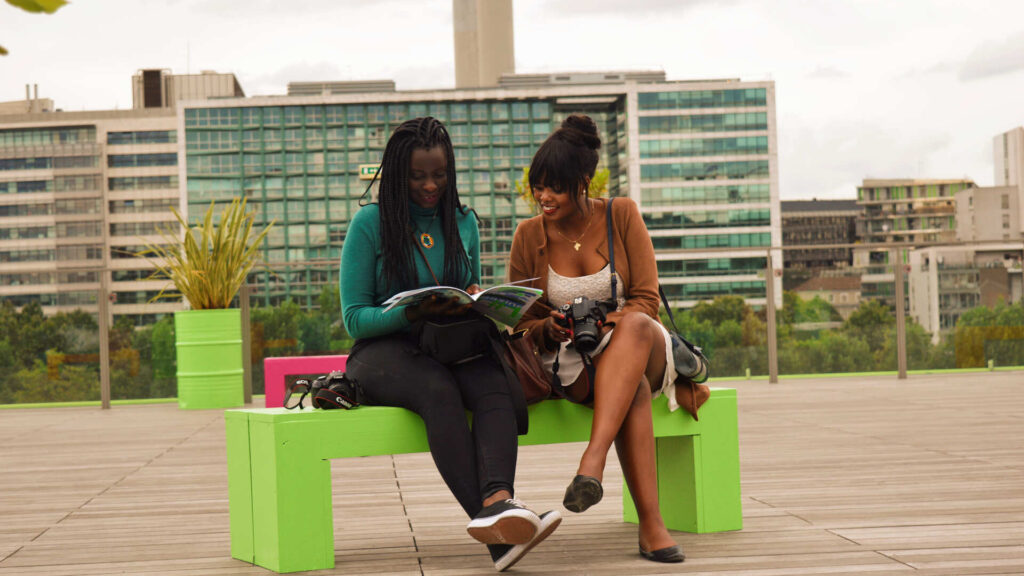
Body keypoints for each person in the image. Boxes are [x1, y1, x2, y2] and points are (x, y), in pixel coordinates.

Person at [341, 117, 560, 572]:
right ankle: (496, 527)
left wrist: (479, 300)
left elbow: (469, 286)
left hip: (449, 342)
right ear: (398, 173)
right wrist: (412, 311)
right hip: (382, 353)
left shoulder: (463, 222)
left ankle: (500, 502)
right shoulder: (369, 224)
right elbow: (354, 317)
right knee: (438, 389)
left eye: (439, 174)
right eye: (418, 175)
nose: (429, 185)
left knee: (492, 379)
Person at [509, 114, 699, 564]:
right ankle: (652, 529)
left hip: (641, 346)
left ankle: (591, 462)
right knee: (629, 388)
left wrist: (607, 322)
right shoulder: (528, 235)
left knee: (632, 327)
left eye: (554, 186)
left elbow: (647, 300)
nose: (544, 196)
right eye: (538, 186)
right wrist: (549, 328)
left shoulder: (622, 214)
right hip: (574, 363)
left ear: (584, 182)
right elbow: (520, 323)